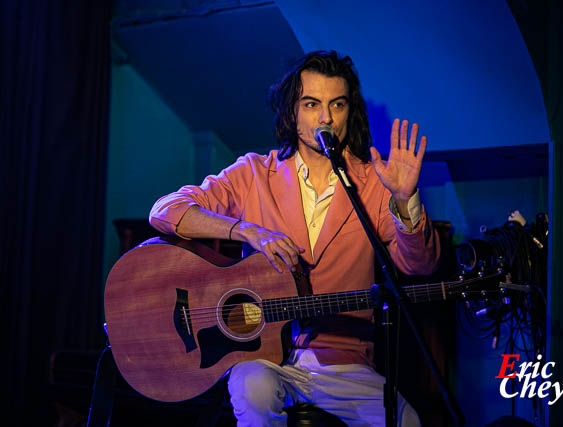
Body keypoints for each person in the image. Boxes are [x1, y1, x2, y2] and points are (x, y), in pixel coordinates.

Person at [149, 50, 440, 426]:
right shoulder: (254, 173)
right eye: (312, 104)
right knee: (253, 390)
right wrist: (244, 229)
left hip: (344, 362)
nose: (327, 118)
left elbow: (420, 265)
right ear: (291, 113)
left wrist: (404, 200)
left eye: (337, 104)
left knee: (408, 422)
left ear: (350, 112)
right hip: (262, 358)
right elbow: (165, 211)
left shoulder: (373, 182)